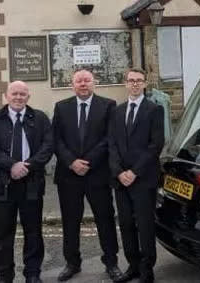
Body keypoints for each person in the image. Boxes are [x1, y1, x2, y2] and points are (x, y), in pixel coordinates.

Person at [53, 70, 122, 281]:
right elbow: (56, 139)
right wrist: (72, 162)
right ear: (72, 84)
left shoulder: (108, 105)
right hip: (69, 175)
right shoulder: (62, 107)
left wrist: (87, 162)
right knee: (70, 221)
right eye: (79, 81)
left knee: (105, 220)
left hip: (98, 174)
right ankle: (72, 263)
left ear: (94, 83)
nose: (83, 84)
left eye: (87, 80)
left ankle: (111, 263)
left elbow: (110, 138)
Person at [0, 80, 53, 283]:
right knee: (3, 234)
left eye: (23, 94)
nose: (18, 97)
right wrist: (12, 165)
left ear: (28, 97)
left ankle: (32, 273)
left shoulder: (40, 118)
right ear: (7, 95)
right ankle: (5, 275)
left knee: (33, 232)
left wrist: (27, 166)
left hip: (31, 183)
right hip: (3, 184)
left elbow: (47, 148)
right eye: (14, 93)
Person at [108, 67, 165, 283]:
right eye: (131, 80)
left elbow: (155, 145)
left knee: (145, 225)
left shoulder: (154, 110)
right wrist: (119, 172)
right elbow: (111, 144)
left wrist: (134, 172)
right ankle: (132, 265)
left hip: (143, 178)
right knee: (126, 224)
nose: (134, 84)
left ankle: (146, 270)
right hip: (121, 180)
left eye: (138, 81)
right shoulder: (117, 111)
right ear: (125, 83)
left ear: (145, 84)